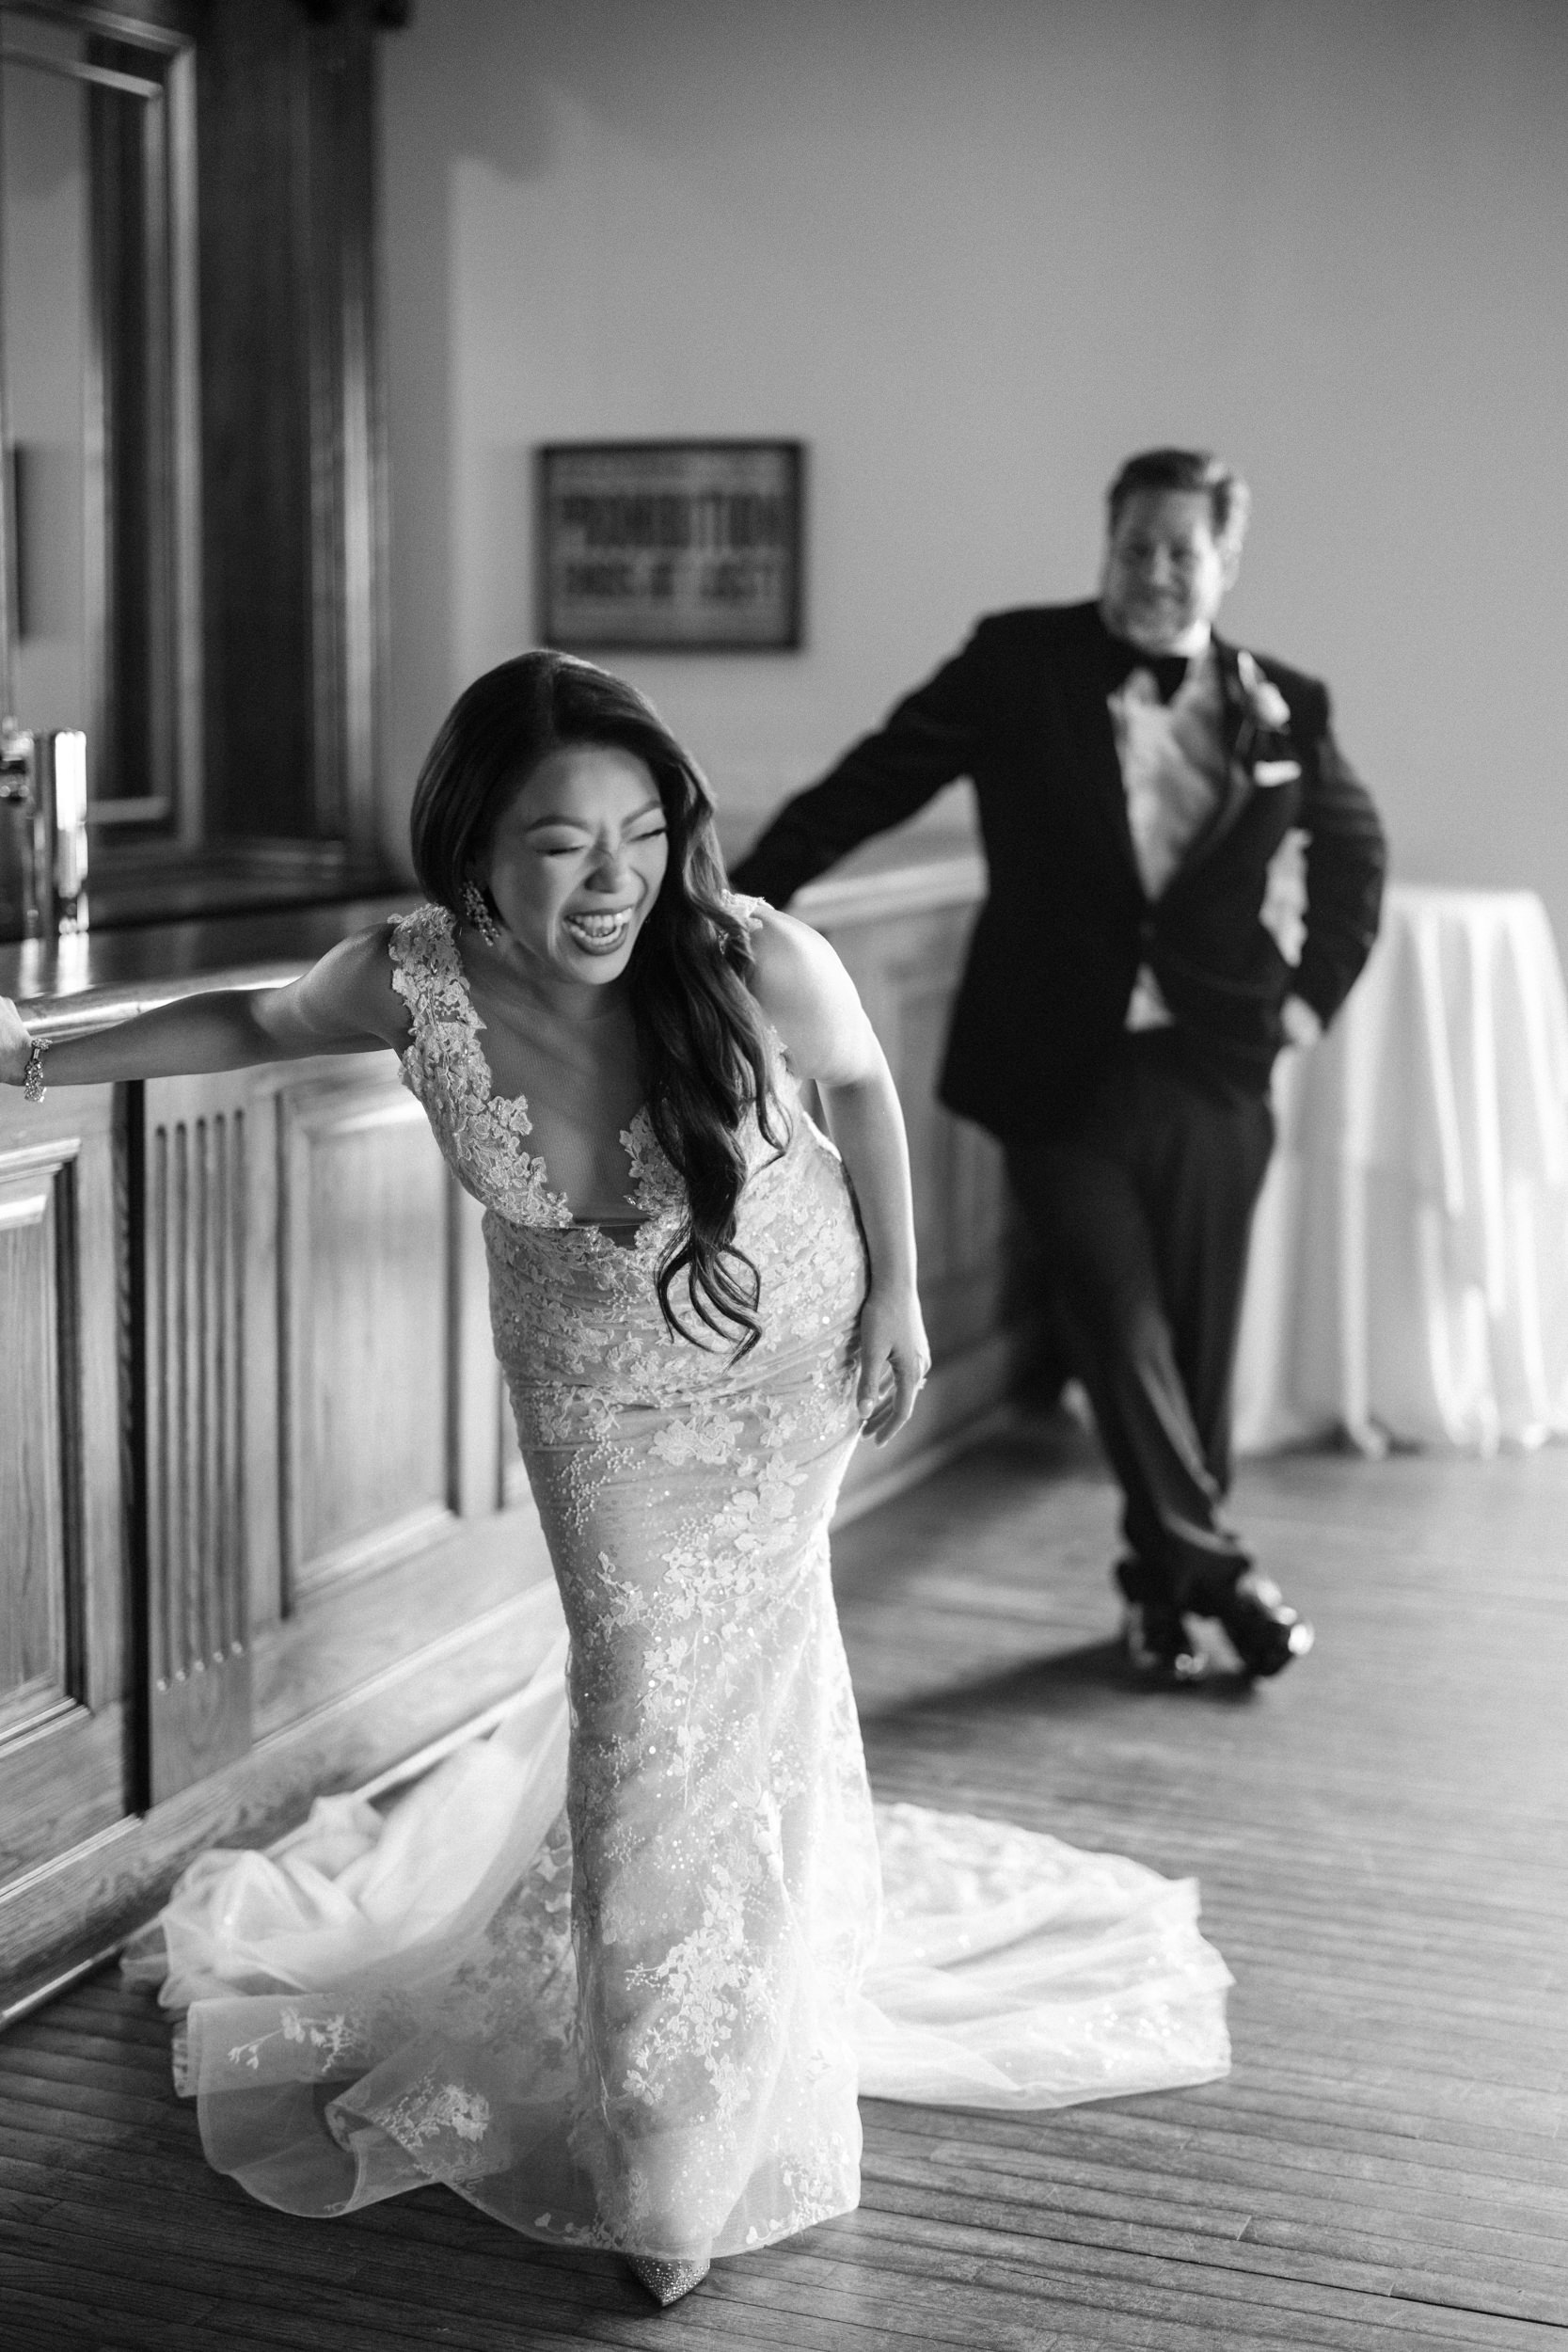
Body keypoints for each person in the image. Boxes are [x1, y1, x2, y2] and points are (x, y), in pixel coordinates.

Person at [1, 652, 1232, 2306]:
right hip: (595, 1396)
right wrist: (29, 1058)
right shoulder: (408, 977)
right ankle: (662, 2112)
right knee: (649, 1698)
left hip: (782, 1352)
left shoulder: (750, 957)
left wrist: (904, 1300)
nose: (614, 882)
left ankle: (688, 2110)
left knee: (744, 1681)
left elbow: (862, 1089)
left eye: (642, 835)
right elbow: (253, 1018)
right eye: (564, 844)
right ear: (473, 849)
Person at [731, 448, 1387, 1688]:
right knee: (1114, 1314)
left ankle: (1163, 1590)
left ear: (1224, 563)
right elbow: (874, 780)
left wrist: (1303, 1011)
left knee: (1193, 1344)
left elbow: (1356, 863)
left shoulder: (1286, 702)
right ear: (1108, 544)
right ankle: (1222, 1569)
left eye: (1179, 551)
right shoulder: (1016, 662)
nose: (1151, 571)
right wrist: (745, 908)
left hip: (1215, 1068)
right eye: (1132, 545)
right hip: (1053, 1061)